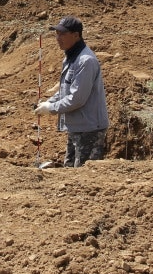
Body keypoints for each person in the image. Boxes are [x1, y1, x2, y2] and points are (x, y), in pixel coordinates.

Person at [35, 16, 109, 167]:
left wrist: (51, 108)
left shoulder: (85, 61)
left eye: (62, 34)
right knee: (69, 169)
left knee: (84, 175)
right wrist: (50, 101)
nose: (58, 38)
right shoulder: (71, 57)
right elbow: (66, 90)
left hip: (89, 130)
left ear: (76, 35)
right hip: (77, 126)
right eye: (57, 34)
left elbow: (77, 98)